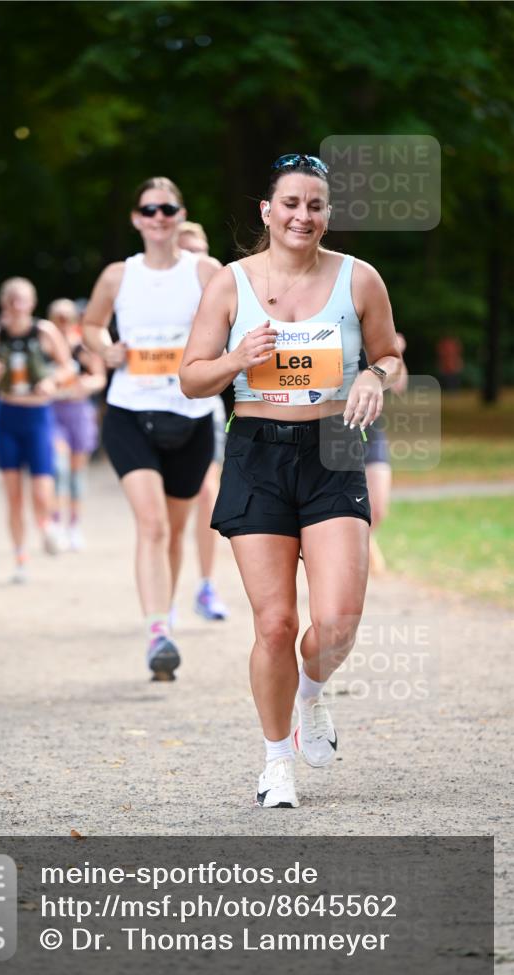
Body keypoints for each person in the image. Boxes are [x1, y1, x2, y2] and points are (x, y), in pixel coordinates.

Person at [180, 154, 402, 807]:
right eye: (290, 203)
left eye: (315, 205)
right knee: (274, 624)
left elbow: (390, 355)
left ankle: (310, 693)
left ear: (327, 214)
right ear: (267, 211)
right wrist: (235, 359)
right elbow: (191, 377)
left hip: (333, 449)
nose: (302, 216)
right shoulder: (230, 283)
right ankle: (276, 762)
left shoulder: (359, 279)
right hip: (257, 453)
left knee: (338, 621)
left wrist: (373, 376)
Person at [83, 177, 221, 680]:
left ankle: (166, 608)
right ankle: (158, 632)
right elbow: (91, 325)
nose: (159, 217)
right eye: (149, 209)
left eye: (167, 208)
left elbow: (238, 319)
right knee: (153, 525)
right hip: (129, 413)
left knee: (176, 530)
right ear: (136, 219)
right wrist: (105, 349)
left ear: (180, 215)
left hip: (191, 415)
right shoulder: (118, 275)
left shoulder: (206, 271)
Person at [0, 277, 70, 583]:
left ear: (32, 303)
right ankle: (20, 559)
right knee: (13, 495)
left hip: (37, 416)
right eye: (11, 300)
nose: (16, 306)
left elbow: (67, 367)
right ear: (4, 303)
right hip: (7, 416)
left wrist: (51, 381)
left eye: (22, 300)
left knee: (41, 491)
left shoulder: (44, 332)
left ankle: (47, 525)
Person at [177, 221, 229, 621]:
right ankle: (165, 594)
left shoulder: (222, 296)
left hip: (205, 408)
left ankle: (207, 586)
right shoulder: (157, 297)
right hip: (155, 411)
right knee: (169, 510)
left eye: (201, 252)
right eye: (188, 253)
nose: (197, 261)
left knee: (207, 493)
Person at [47, 297, 106, 550]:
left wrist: (86, 384)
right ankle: (56, 522)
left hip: (79, 412)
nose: (63, 322)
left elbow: (99, 378)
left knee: (76, 473)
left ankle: (74, 525)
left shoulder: (83, 347)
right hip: (53, 412)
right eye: (58, 318)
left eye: (67, 317)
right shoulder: (45, 347)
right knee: (58, 468)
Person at [360, 333, 409, 574]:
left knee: (378, 507)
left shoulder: (378, 332)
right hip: (332, 431)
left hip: (371, 430)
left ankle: (364, 540)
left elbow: (400, 386)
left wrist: (397, 352)